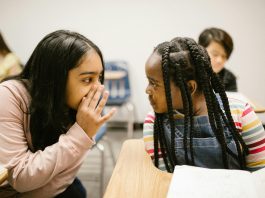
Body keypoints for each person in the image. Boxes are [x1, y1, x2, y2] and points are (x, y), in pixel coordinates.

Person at [0, 30, 116, 197]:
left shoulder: (72, 105)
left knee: (77, 192)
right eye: (87, 79)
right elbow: (20, 178)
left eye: (99, 77)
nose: (99, 88)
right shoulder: (8, 96)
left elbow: (64, 179)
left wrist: (82, 132)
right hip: (11, 191)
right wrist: (81, 133)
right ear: (55, 78)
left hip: (50, 182)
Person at [143, 37, 265, 173]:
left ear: (189, 88)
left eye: (154, 83)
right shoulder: (154, 122)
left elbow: (260, 176)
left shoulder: (241, 115)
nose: (147, 90)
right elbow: (163, 178)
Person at [198, 27, 237, 92]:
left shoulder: (228, 78)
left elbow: (231, 100)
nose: (220, 60)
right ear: (200, 50)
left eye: (224, 56)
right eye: (215, 54)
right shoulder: (188, 72)